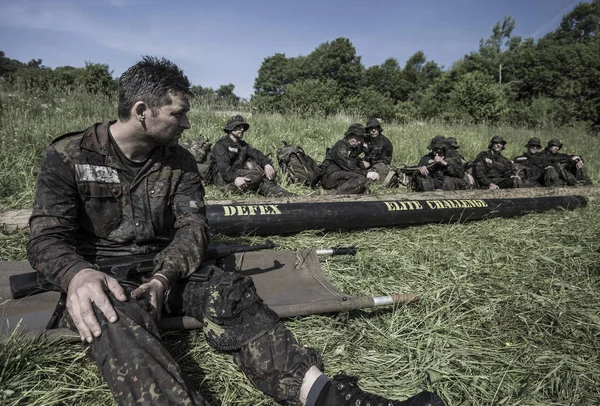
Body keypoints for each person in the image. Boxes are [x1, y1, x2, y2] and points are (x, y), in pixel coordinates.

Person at [26, 56, 444, 406]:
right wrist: (76, 276)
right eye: (179, 112)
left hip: (167, 269)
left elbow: (193, 228)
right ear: (142, 111)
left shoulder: (180, 161)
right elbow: (45, 236)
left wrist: (162, 278)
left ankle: (328, 396)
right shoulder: (69, 155)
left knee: (232, 294)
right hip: (104, 275)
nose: (187, 123)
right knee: (113, 318)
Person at [209, 115, 294, 197]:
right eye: (238, 127)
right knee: (257, 175)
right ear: (231, 129)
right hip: (224, 178)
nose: (242, 129)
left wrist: (266, 164)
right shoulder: (221, 144)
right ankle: (225, 190)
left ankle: (287, 196)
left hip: (240, 174)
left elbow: (256, 153)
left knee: (263, 181)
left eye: (243, 127)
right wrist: (235, 178)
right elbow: (224, 168)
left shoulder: (242, 145)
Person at [319, 124, 379, 194]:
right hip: (329, 175)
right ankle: (333, 193)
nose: (359, 142)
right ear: (350, 136)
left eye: (361, 139)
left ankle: (337, 191)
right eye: (358, 139)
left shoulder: (352, 148)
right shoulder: (340, 146)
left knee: (362, 181)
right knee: (360, 178)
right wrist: (366, 173)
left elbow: (355, 160)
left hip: (339, 175)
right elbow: (347, 164)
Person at [363, 117, 394, 183]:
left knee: (373, 177)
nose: (373, 130)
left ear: (379, 129)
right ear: (368, 130)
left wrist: (370, 163)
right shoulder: (365, 140)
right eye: (371, 128)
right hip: (367, 163)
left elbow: (386, 160)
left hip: (380, 165)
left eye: (375, 128)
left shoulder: (385, 142)